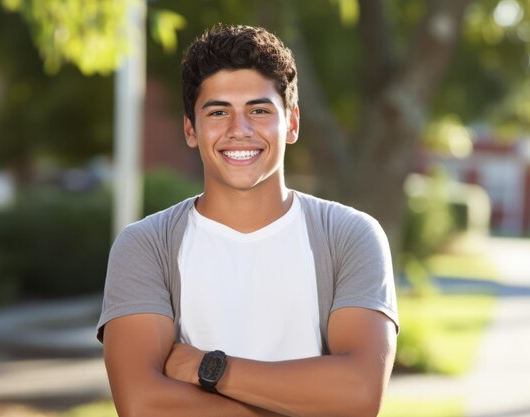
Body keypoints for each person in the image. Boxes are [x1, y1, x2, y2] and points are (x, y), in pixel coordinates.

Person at [97, 24, 399, 417]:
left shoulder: (348, 236)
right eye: (218, 111)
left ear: (291, 123)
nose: (239, 130)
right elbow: (142, 404)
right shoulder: (147, 245)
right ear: (191, 129)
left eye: (258, 111)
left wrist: (209, 368)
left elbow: (359, 396)